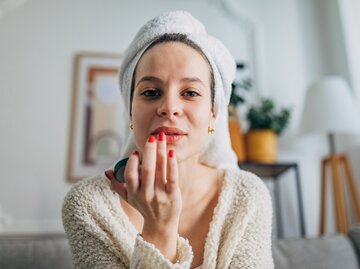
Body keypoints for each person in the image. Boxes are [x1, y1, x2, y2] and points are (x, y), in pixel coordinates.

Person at [62, 10, 273, 269]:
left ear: (213, 114)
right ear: (131, 111)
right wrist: (159, 230)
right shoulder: (89, 205)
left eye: (190, 92)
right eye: (150, 92)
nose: (169, 107)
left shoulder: (246, 198)